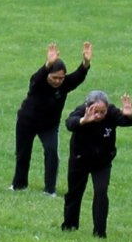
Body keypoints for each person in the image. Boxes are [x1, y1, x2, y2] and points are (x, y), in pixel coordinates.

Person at [11, 42, 90, 194]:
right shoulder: (38, 82)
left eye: (60, 78)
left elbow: (78, 77)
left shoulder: (64, 84)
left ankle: (49, 190)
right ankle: (19, 185)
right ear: (48, 75)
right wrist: (48, 64)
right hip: (26, 122)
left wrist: (85, 63)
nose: (57, 81)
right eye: (54, 77)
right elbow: (37, 77)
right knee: (23, 153)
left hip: (49, 125)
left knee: (52, 152)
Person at [61, 90, 132, 238]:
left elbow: (126, 121)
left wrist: (130, 114)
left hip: (102, 161)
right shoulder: (81, 111)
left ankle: (99, 232)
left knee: (101, 192)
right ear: (88, 107)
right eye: (96, 111)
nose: (99, 115)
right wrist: (84, 120)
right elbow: (70, 123)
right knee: (74, 193)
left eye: (102, 111)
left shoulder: (111, 112)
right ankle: (70, 225)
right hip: (80, 159)